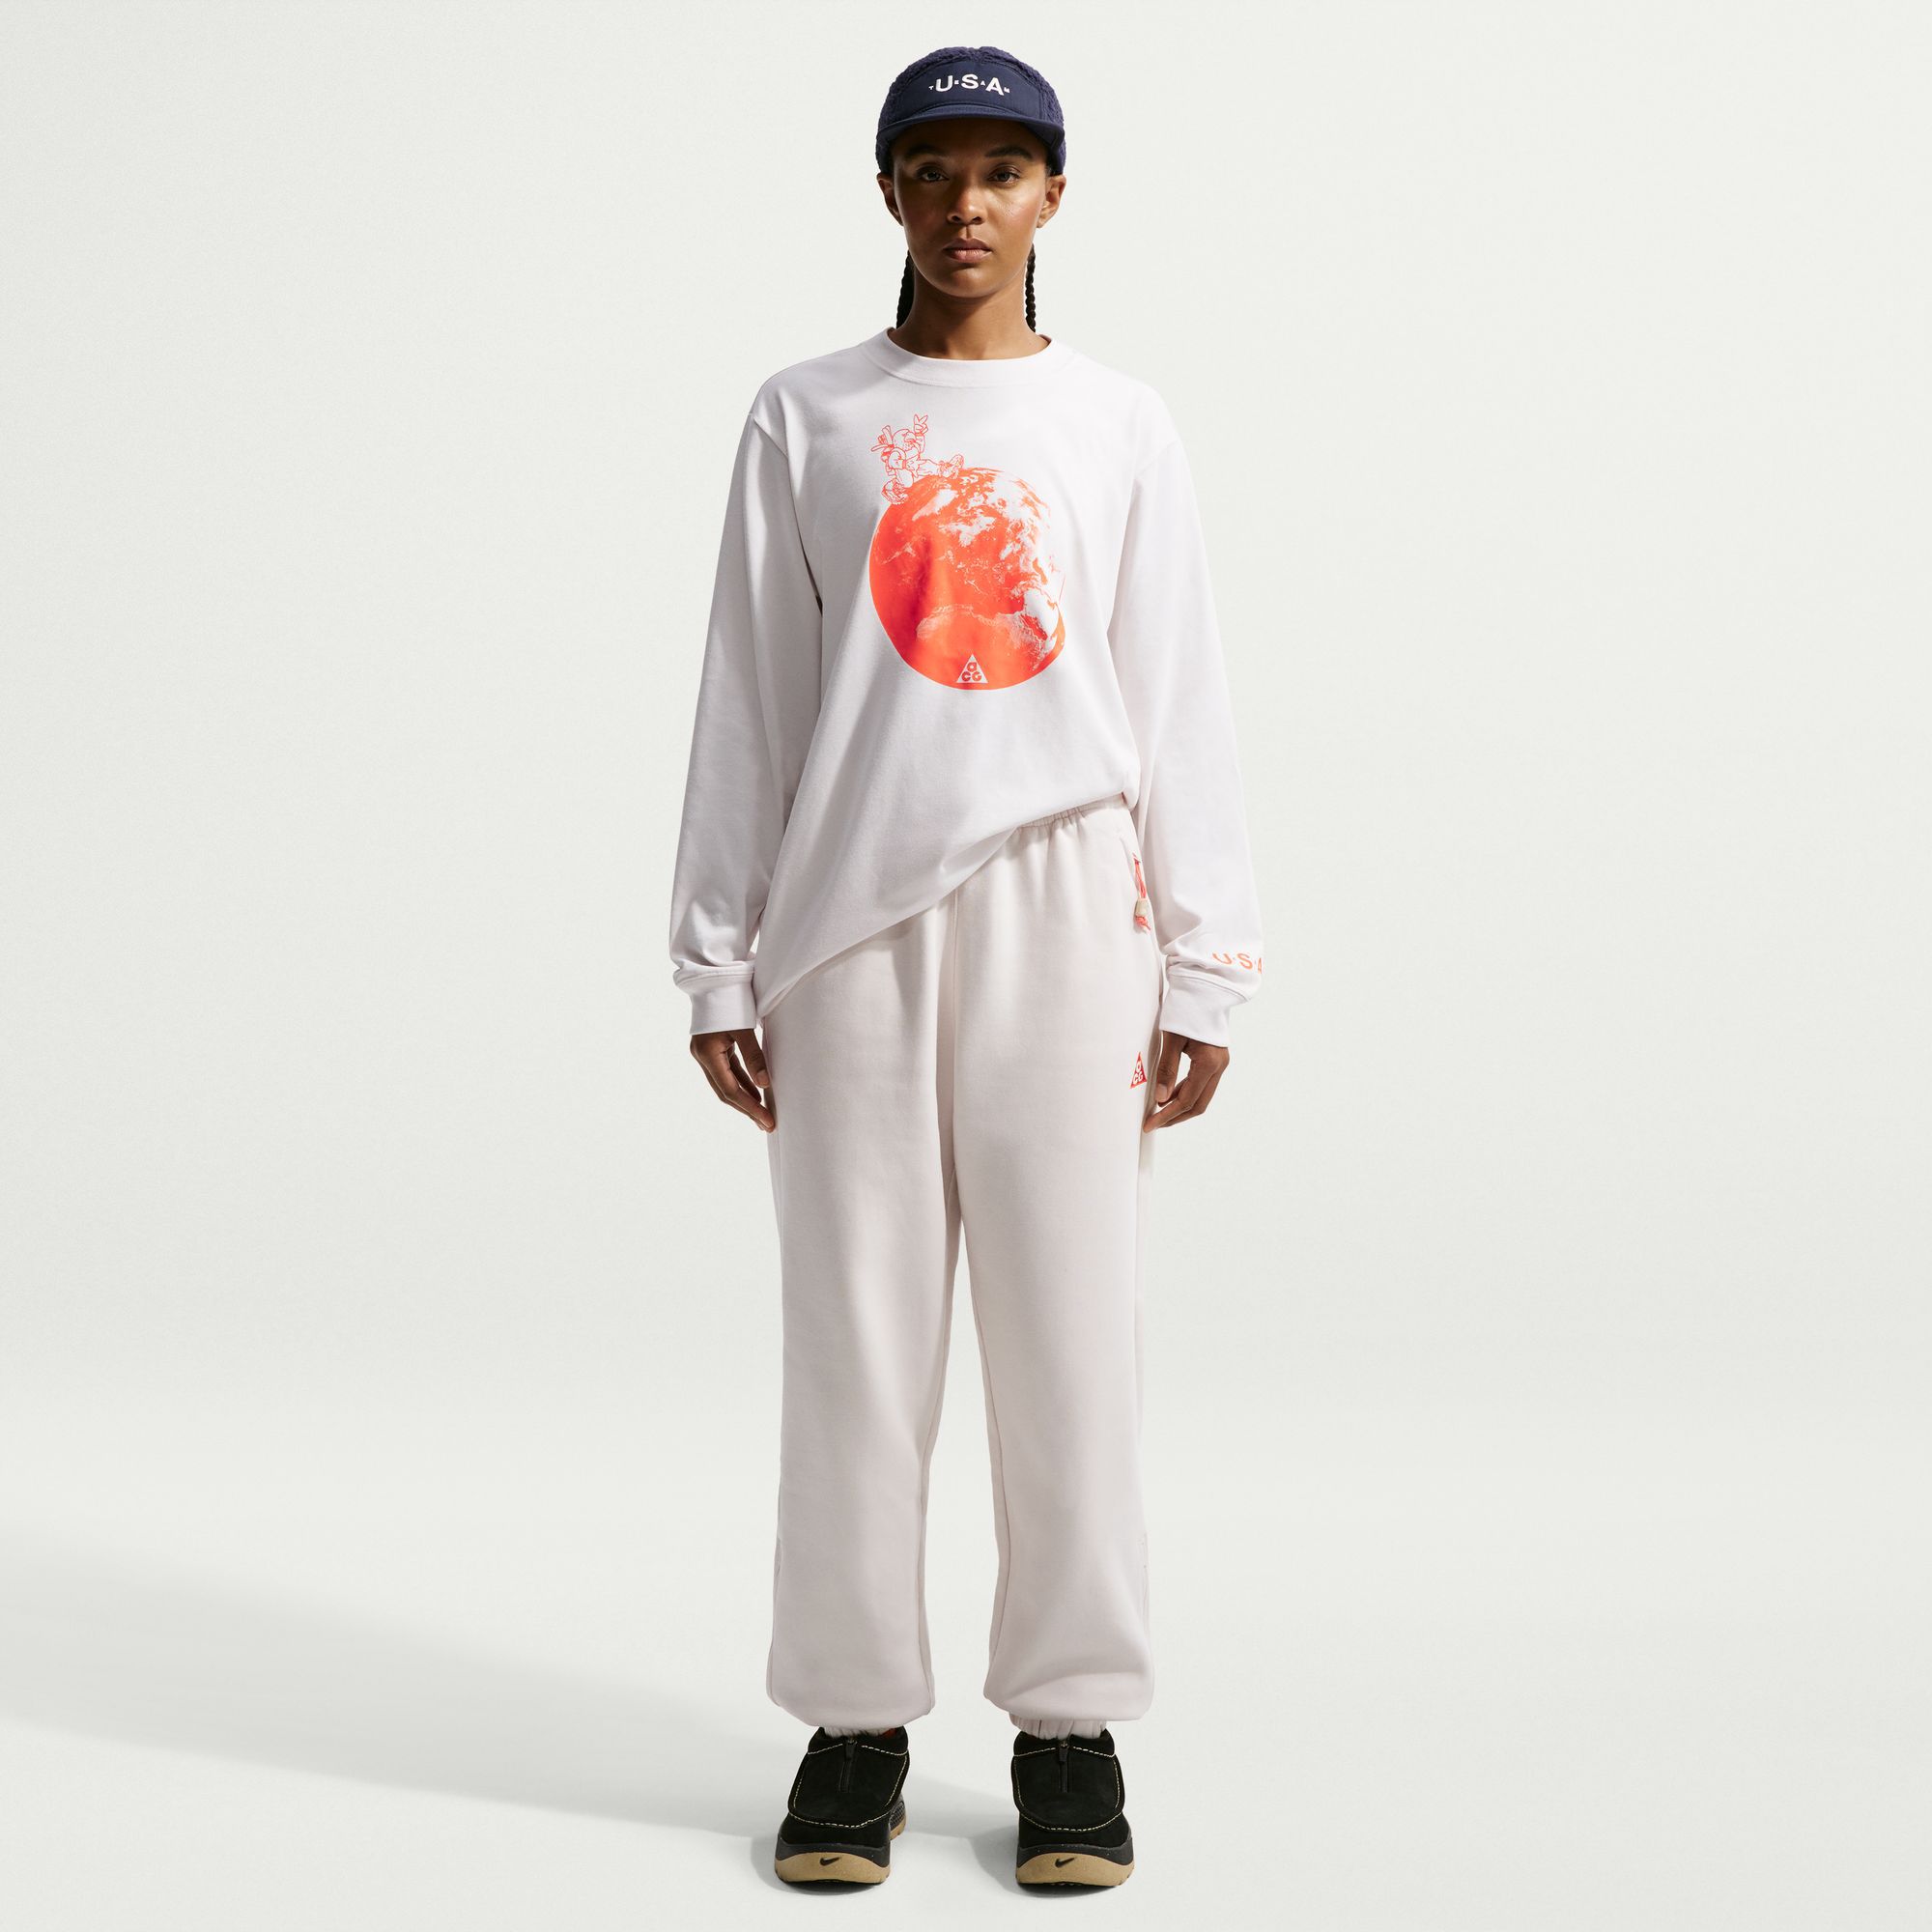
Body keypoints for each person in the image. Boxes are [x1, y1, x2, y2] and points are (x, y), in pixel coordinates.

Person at [666, 43, 1264, 1889]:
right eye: (933, 169)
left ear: (1054, 195)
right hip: (847, 922)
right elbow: (753, 693)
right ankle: (853, 1726)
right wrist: (716, 957)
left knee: (1071, 1331)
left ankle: (1069, 1728)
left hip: (1069, 908)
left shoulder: (1118, 423)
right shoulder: (809, 416)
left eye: (1003, 169)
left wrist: (1208, 958)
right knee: (856, 1339)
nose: (967, 203)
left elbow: (1175, 687)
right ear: (888, 191)